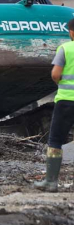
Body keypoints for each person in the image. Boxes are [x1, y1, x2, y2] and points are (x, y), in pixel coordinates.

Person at [37, 18, 74, 192]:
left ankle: (51, 182)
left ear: (71, 32)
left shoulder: (65, 49)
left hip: (66, 101)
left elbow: (55, 74)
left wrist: (60, 81)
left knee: (55, 141)